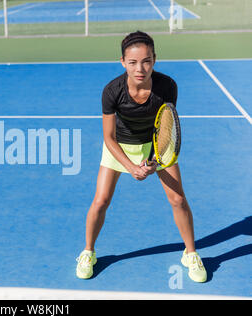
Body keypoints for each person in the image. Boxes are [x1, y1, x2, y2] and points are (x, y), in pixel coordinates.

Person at [75, 31, 206, 283]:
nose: (140, 68)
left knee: (178, 199)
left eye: (146, 61)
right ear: (123, 62)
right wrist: (132, 167)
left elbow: (167, 127)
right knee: (101, 201)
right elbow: (109, 138)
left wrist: (154, 159)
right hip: (119, 148)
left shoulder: (167, 86)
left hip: (156, 143)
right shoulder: (112, 91)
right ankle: (88, 252)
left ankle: (190, 253)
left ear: (154, 60)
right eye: (133, 62)